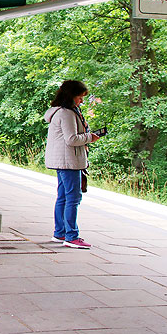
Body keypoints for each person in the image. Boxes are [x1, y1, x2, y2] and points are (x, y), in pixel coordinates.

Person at [44, 80, 99, 249]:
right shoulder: (67, 113)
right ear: (71, 95)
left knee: (63, 197)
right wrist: (90, 137)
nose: (81, 101)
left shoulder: (59, 112)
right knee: (73, 198)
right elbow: (71, 139)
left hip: (63, 160)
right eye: (80, 97)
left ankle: (60, 232)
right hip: (69, 161)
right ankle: (71, 235)